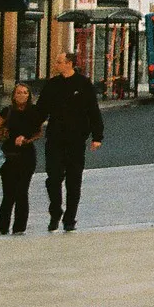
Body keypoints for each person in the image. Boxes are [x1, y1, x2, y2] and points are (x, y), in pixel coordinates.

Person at [37, 50, 103, 232]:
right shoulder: (51, 85)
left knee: (74, 181)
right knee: (53, 178)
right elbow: (40, 111)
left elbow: (93, 111)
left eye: (59, 61)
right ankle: (56, 211)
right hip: (55, 139)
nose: (56, 65)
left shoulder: (83, 84)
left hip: (76, 140)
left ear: (69, 63)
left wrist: (97, 136)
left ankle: (70, 219)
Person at [0, 82, 43, 235]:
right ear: (13, 95)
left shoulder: (33, 111)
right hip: (9, 155)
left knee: (22, 191)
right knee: (8, 193)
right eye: (19, 92)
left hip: (27, 156)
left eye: (25, 92)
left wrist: (26, 140)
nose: (22, 95)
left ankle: (19, 227)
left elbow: (38, 132)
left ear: (29, 95)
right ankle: (3, 226)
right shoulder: (7, 112)